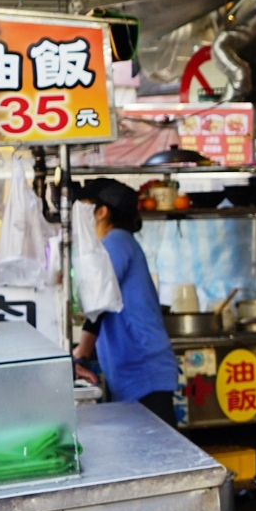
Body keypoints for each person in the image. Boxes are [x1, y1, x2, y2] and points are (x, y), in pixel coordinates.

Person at [71, 178, 180, 426]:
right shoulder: (112, 243)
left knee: (159, 455)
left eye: (85, 206)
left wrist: (82, 353)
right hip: (135, 371)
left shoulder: (116, 241)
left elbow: (99, 303)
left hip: (145, 370)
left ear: (101, 212)